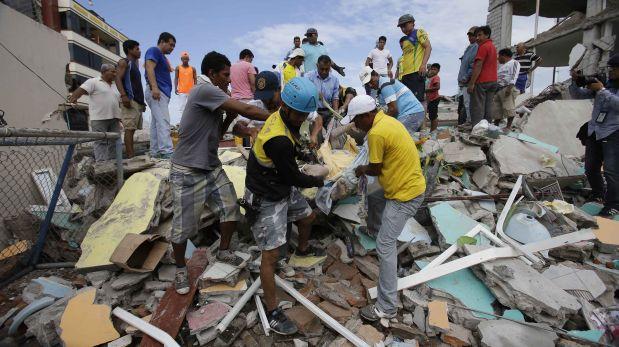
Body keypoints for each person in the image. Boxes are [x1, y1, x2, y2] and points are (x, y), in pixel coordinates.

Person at [169, 51, 271, 295]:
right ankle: (180, 269)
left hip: (211, 166)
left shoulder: (215, 95)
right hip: (188, 170)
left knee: (230, 209)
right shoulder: (204, 90)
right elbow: (249, 109)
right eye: (225, 75)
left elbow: (217, 132)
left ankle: (224, 251)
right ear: (212, 73)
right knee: (183, 226)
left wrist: (229, 118)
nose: (229, 80)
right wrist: (281, 117)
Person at [244, 77, 325, 335]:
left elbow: (292, 152)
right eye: (299, 115)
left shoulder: (284, 118)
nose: (302, 119)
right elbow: (293, 177)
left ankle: (301, 250)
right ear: (287, 107)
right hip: (266, 195)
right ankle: (272, 311)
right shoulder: (277, 137)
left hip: (280, 187)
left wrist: (303, 153)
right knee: (270, 255)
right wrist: (318, 180)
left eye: (305, 115)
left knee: (308, 217)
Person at [340, 95, 425, 322]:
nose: (355, 125)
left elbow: (375, 169)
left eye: (356, 121)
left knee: (385, 246)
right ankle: (374, 228)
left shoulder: (377, 133)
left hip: (405, 196)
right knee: (375, 196)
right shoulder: (388, 121)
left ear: (367, 116)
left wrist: (357, 171)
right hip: (409, 185)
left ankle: (386, 307)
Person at [569, 54, 619, 219]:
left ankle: (614, 205)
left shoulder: (604, 88)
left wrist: (601, 90)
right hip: (595, 131)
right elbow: (578, 95)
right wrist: (576, 82)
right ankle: (598, 194)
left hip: (613, 132)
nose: (610, 72)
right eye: (609, 68)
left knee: (612, 171)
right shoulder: (606, 85)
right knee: (590, 167)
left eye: (614, 69)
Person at [68, 64, 121, 161]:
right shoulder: (93, 81)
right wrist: (74, 97)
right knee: (101, 142)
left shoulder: (114, 86)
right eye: (112, 72)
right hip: (99, 118)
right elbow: (81, 90)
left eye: (115, 72)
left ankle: (114, 164)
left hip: (114, 119)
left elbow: (116, 101)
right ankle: (102, 166)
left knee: (114, 142)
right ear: (104, 72)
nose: (115, 74)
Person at [359, 66, 425, 135]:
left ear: (376, 75)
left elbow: (393, 110)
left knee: (394, 137)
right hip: (412, 114)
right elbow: (384, 109)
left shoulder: (385, 85)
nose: (370, 85)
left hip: (412, 113)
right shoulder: (381, 88)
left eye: (371, 81)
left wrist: (380, 125)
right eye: (367, 84)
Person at [144, 32, 176, 159]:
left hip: (159, 92)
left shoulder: (162, 56)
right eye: (171, 45)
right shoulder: (154, 51)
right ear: (162, 42)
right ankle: (166, 151)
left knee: (156, 123)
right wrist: (154, 87)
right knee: (163, 121)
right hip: (157, 91)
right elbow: (149, 67)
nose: (172, 48)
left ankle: (155, 151)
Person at [115, 39, 145, 158]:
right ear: (129, 50)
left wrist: (142, 103)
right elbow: (117, 78)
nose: (139, 51)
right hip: (129, 100)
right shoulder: (124, 62)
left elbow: (137, 85)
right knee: (129, 129)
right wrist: (124, 96)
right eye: (137, 49)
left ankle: (131, 155)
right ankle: (130, 156)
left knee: (132, 129)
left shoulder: (135, 66)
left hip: (137, 101)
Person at [234, 70, 282, 141]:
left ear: (279, 89)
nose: (266, 101)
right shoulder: (254, 105)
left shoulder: (288, 106)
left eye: (269, 97)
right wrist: (250, 131)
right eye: (262, 97)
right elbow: (237, 128)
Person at [306, 55, 340, 147]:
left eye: (327, 69)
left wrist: (336, 111)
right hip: (314, 111)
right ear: (317, 65)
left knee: (334, 135)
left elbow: (335, 97)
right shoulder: (308, 76)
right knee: (317, 137)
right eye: (322, 69)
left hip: (328, 112)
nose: (324, 72)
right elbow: (304, 93)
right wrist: (314, 93)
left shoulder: (335, 80)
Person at [397, 14, 432, 103]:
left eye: (404, 25)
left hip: (416, 73)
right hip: (405, 76)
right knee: (407, 102)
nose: (403, 29)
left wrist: (423, 65)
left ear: (412, 23)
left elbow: (428, 47)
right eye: (401, 27)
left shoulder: (419, 32)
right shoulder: (405, 41)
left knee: (417, 101)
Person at [467, 26, 497, 127]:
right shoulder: (492, 46)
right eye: (476, 36)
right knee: (488, 106)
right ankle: (487, 127)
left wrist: (471, 83)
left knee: (477, 106)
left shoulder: (483, 47)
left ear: (487, 35)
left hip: (482, 81)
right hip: (493, 81)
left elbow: (478, 65)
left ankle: (477, 129)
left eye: (480, 35)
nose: (477, 38)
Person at [493, 48, 520, 130]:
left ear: (504, 55)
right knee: (497, 109)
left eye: (499, 56)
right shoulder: (502, 67)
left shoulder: (514, 62)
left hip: (507, 88)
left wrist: (509, 88)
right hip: (498, 90)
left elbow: (514, 75)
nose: (498, 58)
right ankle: (495, 126)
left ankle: (508, 127)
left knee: (508, 107)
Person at [457, 26, 479, 125]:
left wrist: (466, 78)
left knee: (469, 104)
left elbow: (473, 65)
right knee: (467, 104)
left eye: (472, 35)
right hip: (464, 81)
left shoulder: (476, 47)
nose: (470, 37)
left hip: (468, 81)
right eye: (469, 35)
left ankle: (470, 122)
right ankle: (469, 121)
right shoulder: (469, 48)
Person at [174, 51, 197, 117]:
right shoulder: (178, 68)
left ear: (189, 59)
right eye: (184, 58)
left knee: (191, 107)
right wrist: (175, 88)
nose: (185, 60)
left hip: (191, 91)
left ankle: (191, 121)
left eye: (186, 58)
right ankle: (182, 123)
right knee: (182, 108)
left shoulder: (193, 68)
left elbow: (195, 79)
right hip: (181, 91)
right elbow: (176, 78)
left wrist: (195, 88)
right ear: (181, 59)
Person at [426, 63, 441, 132]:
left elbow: (437, 87)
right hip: (430, 99)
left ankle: (433, 131)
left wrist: (426, 90)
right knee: (431, 116)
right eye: (432, 69)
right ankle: (432, 130)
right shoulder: (430, 77)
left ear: (438, 71)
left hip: (434, 99)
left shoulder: (436, 77)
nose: (433, 71)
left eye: (435, 69)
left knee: (433, 116)